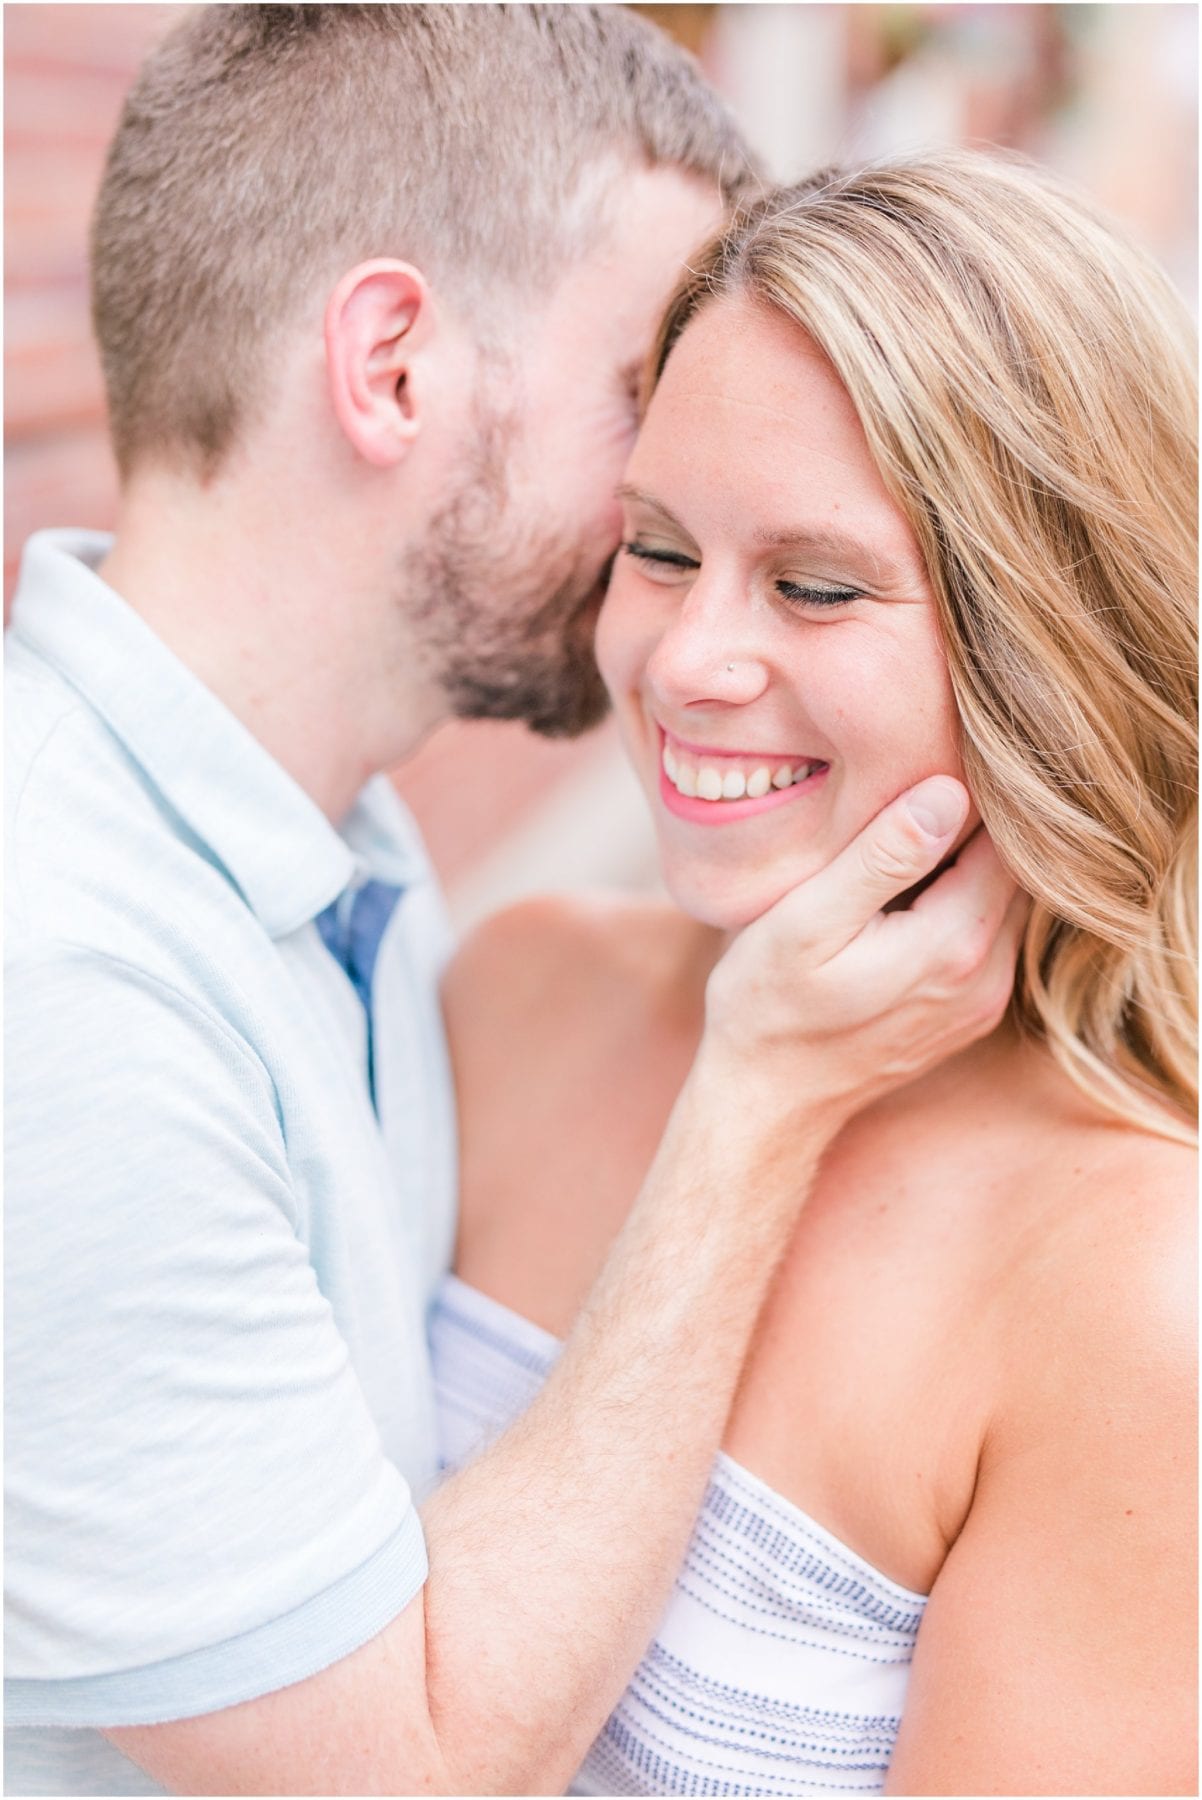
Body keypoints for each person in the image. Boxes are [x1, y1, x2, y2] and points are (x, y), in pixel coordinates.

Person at [3, 10, 1022, 1797]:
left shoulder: (334, 862)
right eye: (643, 386)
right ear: (393, 366)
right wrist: (761, 1092)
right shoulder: (69, 989)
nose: (674, 477)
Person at [433, 149, 1199, 1796]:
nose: (687, 661)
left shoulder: (1138, 1299)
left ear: (1045, 648)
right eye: (656, 549)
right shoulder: (513, 993)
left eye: (815, 584)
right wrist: (752, 1089)